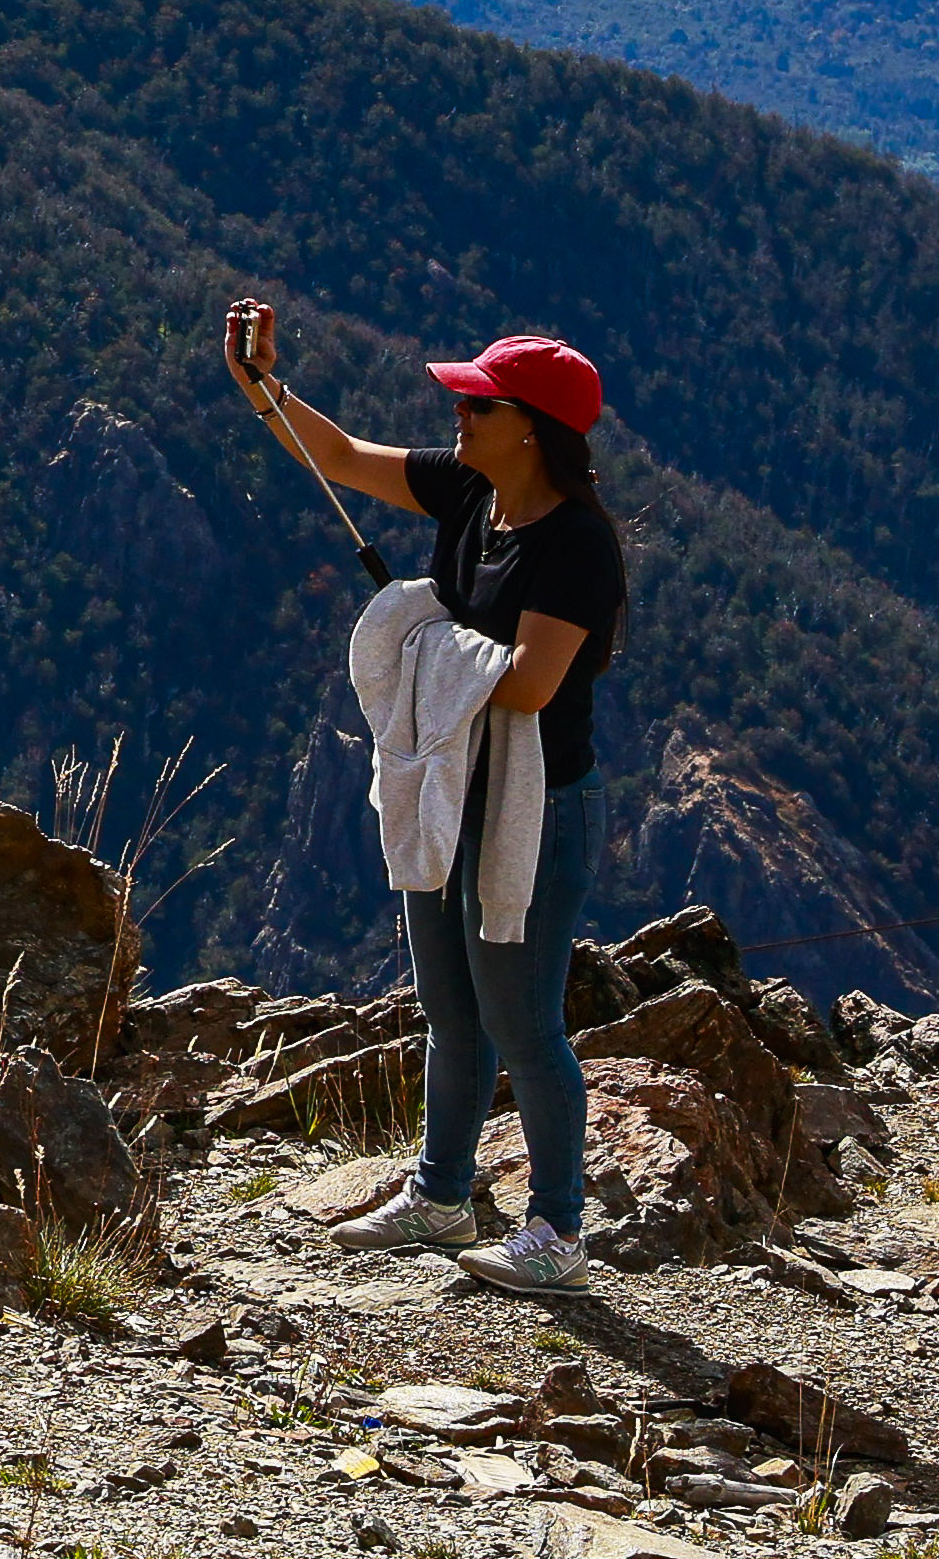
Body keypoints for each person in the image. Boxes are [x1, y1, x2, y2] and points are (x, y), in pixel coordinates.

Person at [222, 300, 631, 1292]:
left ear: (530, 426)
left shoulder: (575, 545)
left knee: (524, 1021)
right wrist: (260, 383)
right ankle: (443, 1196)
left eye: (478, 403)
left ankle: (559, 1232)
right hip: (449, 786)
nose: (459, 413)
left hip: (528, 814)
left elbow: (532, 686)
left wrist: (422, 638)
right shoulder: (469, 493)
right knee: (451, 1010)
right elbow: (348, 459)